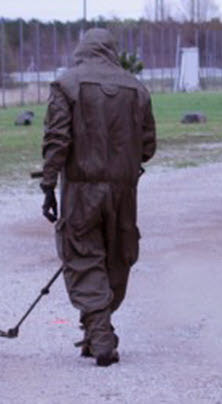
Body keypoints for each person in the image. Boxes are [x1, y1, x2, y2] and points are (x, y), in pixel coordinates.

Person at [39, 28, 156, 367]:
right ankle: (97, 328)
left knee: (82, 253)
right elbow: (148, 146)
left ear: (82, 50)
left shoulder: (67, 85)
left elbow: (57, 139)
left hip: (81, 188)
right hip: (124, 190)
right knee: (117, 256)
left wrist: (49, 184)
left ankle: (100, 333)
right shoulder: (137, 88)